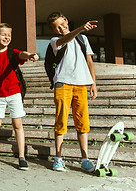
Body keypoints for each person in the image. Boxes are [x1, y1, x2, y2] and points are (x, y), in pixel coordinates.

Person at [0, 23, 39, 170]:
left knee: (17, 125)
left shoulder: (12, 52)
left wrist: (30, 55)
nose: (6, 37)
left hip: (14, 94)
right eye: (3, 34)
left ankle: (22, 157)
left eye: (9, 35)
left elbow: (22, 54)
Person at [47, 12, 98, 172]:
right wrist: (80, 28)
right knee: (61, 121)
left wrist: (93, 83)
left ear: (67, 21)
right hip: (63, 83)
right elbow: (65, 39)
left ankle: (85, 159)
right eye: (58, 27)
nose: (62, 28)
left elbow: (89, 61)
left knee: (82, 123)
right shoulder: (55, 40)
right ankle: (58, 158)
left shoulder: (83, 39)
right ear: (55, 30)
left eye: (63, 24)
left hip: (81, 83)